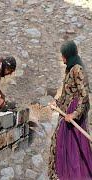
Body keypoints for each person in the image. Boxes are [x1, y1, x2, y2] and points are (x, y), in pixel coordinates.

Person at [48, 40, 92, 179]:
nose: (62, 58)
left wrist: (74, 114)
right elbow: (67, 94)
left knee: (74, 150)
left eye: (63, 55)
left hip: (73, 115)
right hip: (66, 112)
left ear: (68, 55)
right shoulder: (70, 69)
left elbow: (84, 95)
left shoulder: (78, 69)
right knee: (61, 145)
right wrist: (56, 103)